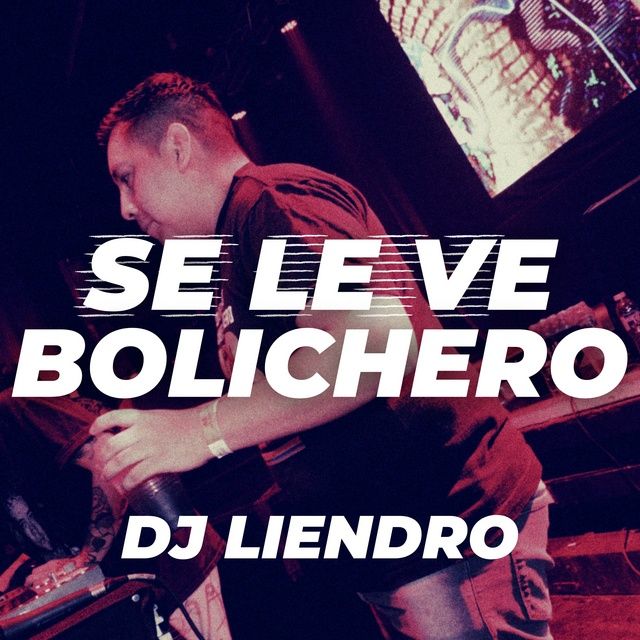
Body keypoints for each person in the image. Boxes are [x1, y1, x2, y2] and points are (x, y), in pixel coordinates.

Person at [92, 71, 554, 639]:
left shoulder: (271, 200)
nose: (125, 208)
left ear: (178, 146)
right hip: (410, 547)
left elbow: (374, 344)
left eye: (128, 178)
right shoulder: (236, 245)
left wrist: (197, 431)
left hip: (453, 528)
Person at [0, 389, 231, 640]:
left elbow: (110, 456)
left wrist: (85, 559)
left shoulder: (16, 408)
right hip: (116, 590)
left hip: (165, 559)